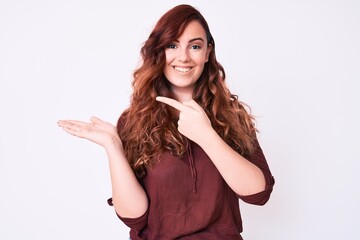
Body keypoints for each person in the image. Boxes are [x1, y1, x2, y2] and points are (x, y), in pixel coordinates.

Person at [57, 4, 275, 240]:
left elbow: (258, 194)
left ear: (208, 52)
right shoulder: (134, 120)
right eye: (172, 45)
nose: (183, 57)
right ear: (159, 51)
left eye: (194, 46)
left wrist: (208, 136)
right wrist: (113, 147)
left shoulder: (231, 114)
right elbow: (135, 217)